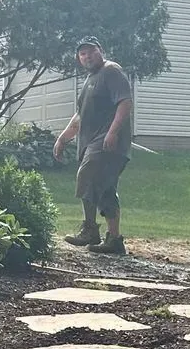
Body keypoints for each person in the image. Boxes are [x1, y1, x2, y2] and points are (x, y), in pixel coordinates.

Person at [53, 35, 134, 256]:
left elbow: (125, 102)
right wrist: (62, 138)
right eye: (82, 53)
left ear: (100, 50)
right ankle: (114, 240)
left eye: (91, 51)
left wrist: (113, 132)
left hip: (107, 142)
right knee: (105, 188)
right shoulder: (90, 80)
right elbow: (80, 116)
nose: (87, 56)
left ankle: (90, 229)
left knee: (87, 174)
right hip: (92, 140)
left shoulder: (111, 71)